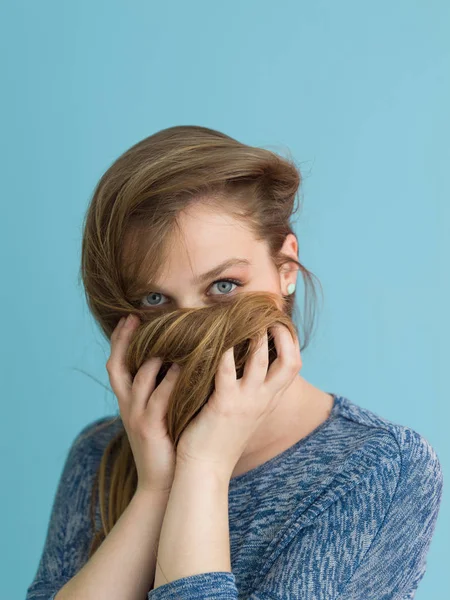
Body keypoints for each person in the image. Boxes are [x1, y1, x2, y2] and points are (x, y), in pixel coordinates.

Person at [26, 126, 443, 600]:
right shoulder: (100, 454)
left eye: (223, 286)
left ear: (286, 269)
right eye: (156, 298)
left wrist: (203, 467)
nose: (193, 328)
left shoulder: (379, 469)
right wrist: (156, 490)